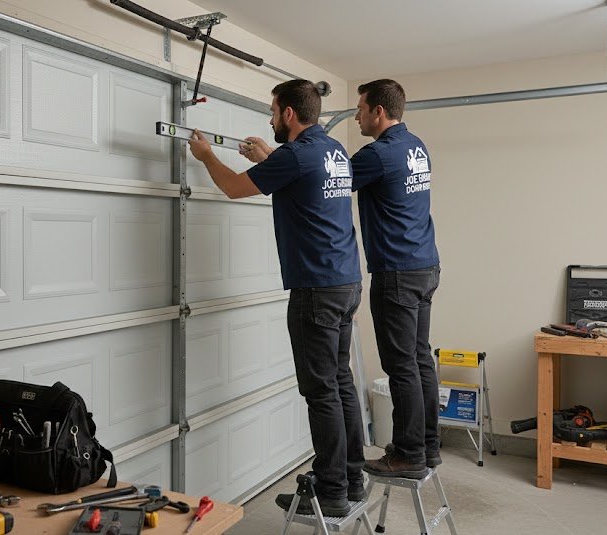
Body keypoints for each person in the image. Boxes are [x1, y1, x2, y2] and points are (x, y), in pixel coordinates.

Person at [187, 79, 365, 516]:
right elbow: (302, 181)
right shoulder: (332, 151)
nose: (269, 120)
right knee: (340, 383)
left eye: (272, 111)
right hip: (346, 282)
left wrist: (206, 154)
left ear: (288, 113)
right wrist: (267, 157)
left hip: (316, 289)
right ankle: (352, 479)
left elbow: (233, 187)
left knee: (321, 391)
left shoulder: (296, 155)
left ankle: (331, 493)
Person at [351, 79, 441, 480]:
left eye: (360, 109)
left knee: (401, 365)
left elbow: (324, 184)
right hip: (424, 266)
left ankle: (408, 454)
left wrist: (271, 157)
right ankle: (428, 446)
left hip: (398, 272)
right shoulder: (415, 146)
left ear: (379, 112)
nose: (356, 116)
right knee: (420, 360)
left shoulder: (380, 154)